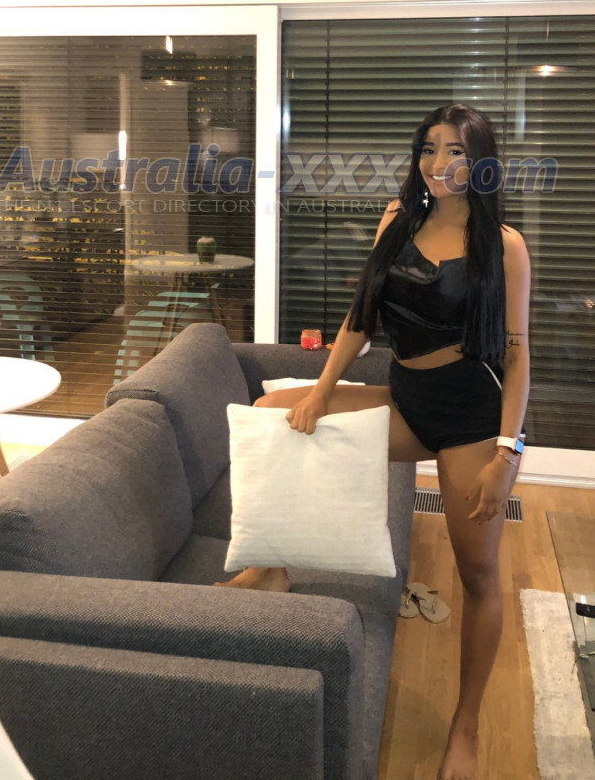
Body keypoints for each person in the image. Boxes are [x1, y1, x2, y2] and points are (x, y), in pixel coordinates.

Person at [219, 103, 531, 780]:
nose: (439, 163)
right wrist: (322, 389)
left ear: (480, 162)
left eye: (456, 151)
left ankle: (467, 724)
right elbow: (360, 318)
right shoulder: (398, 222)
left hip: (470, 417)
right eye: (429, 148)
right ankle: (273, 565)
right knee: (274, 412)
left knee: (479, 574)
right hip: (405, 399)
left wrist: (508, 452)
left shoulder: (503, 245)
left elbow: (516, 355)